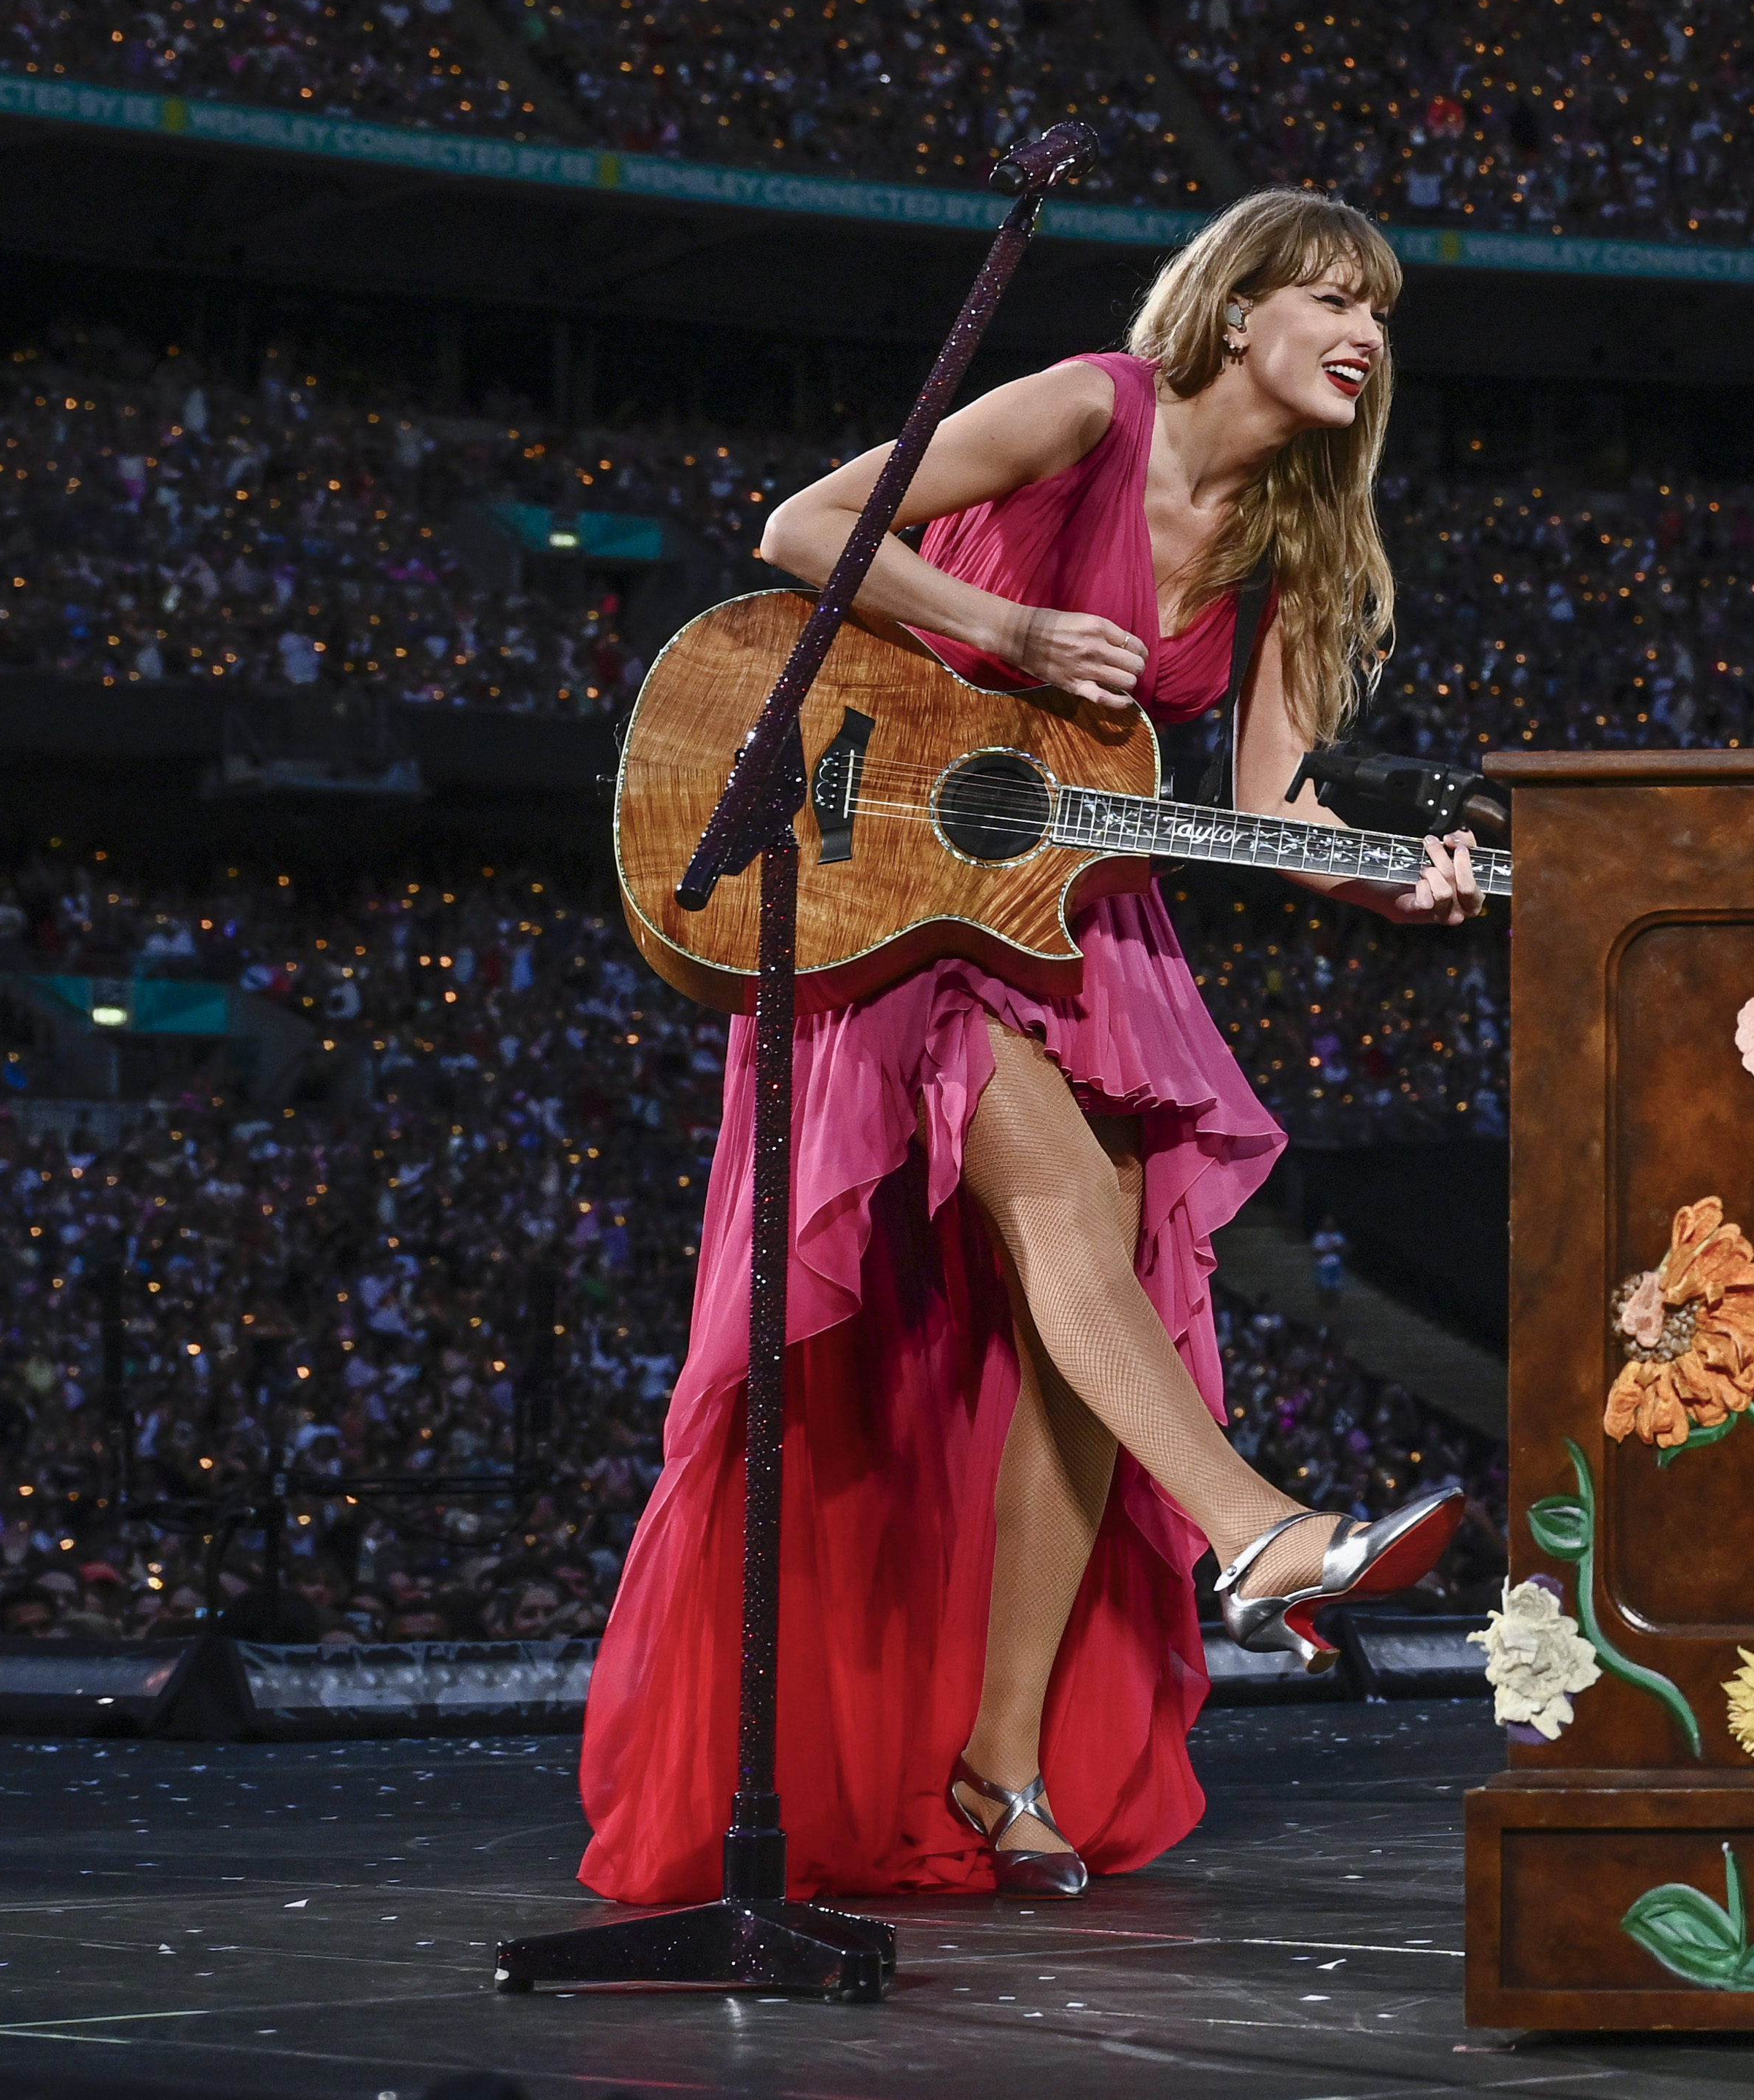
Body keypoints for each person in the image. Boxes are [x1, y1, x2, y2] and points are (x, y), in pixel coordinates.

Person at [576, 190, 1487, 1907]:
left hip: (1084, 925)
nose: (1363, 333)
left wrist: (1390, 881)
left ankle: (1002, 1764)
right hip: (900, 894)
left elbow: (1276, 811)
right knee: (1071, 1215)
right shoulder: (1087, 402)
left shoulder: (1297, 539)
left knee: (1090, 1321)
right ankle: (1259, 1532)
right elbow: (805, 524)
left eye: (1379, 310)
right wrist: (1007, 632)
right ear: (1234, 312)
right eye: (1328, 297)